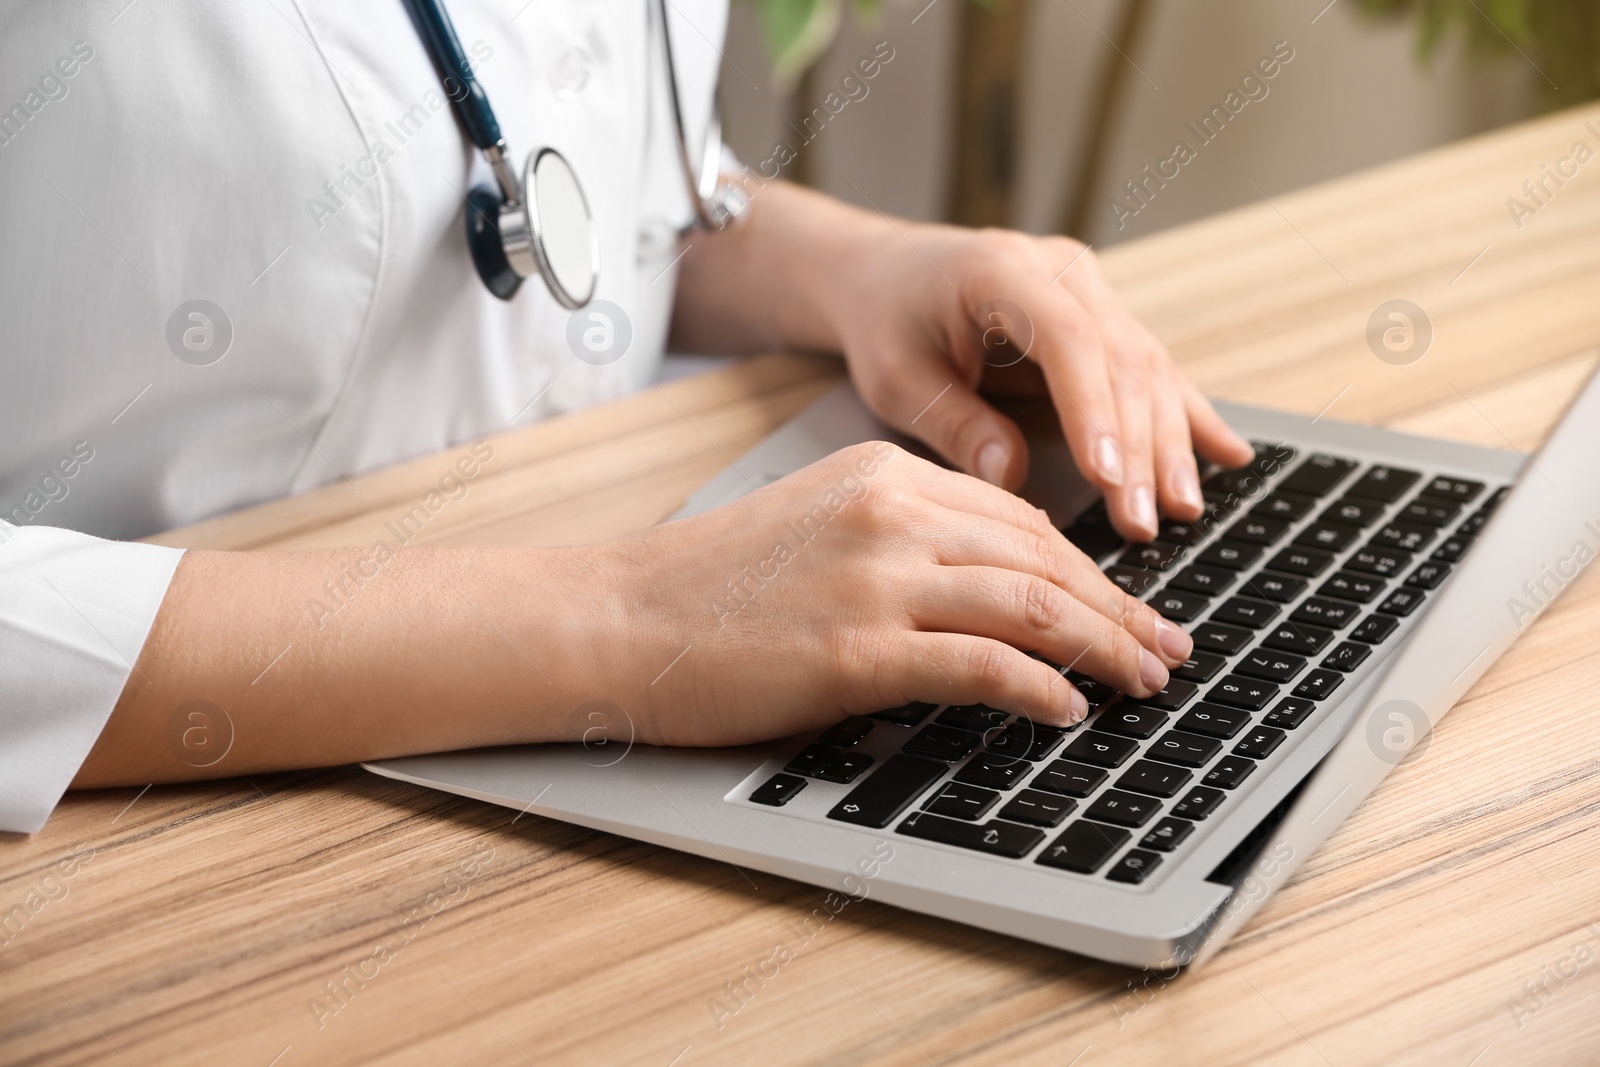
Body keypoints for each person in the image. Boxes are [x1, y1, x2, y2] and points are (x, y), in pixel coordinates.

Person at [0, 0, 1250, 834]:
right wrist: (622, 621)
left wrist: (856, 269)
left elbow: (545, 193)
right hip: (169, 834)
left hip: (600, 685)